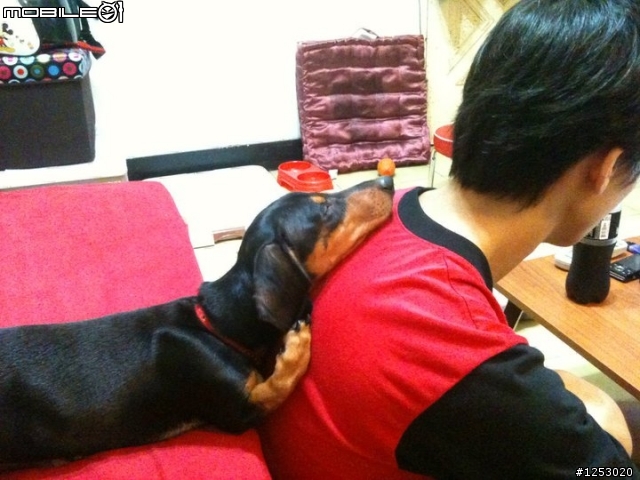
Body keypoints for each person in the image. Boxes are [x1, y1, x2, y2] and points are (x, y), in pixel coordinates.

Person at [259, 0, 640, 478]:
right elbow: (607, 473)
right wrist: (607, 424)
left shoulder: (376, 209)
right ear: (605, 168)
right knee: (620, 422)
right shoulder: (468, 357)